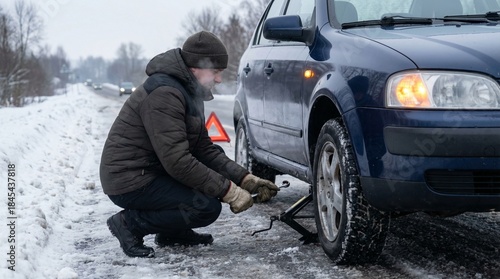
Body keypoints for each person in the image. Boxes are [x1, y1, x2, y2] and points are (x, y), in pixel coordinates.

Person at [99, 31, 280, 258]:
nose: (219, 79)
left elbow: (203, 149)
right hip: (129, 179)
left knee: (205, 186)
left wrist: (245, 179)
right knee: (205, 205)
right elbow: (178, 161)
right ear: (196, 66)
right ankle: (129, 223)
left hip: (152, 171)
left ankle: (172, 232)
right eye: (215, 72)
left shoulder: (188, 91)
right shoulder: (165, 94)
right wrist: (229, 191)